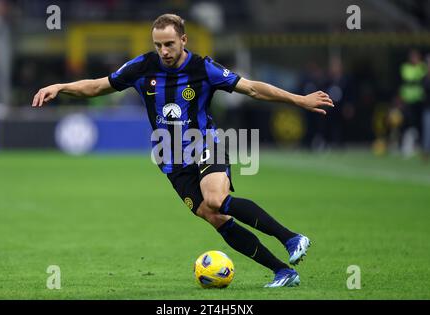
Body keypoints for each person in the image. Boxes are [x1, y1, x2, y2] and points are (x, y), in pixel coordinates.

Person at [32, 14, 334, 288]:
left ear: (184, 40)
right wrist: (60, 86)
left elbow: (252, 88)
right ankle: (283, 271)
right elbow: (98, 87)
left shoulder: (204, 68)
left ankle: (292, 238)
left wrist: (299, 100)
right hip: (170, 156)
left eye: (170, 44)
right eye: (158, 44)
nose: (164, 51)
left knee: (216, 199)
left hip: (205, 141)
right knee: (213, 215)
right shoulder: (142, 67)